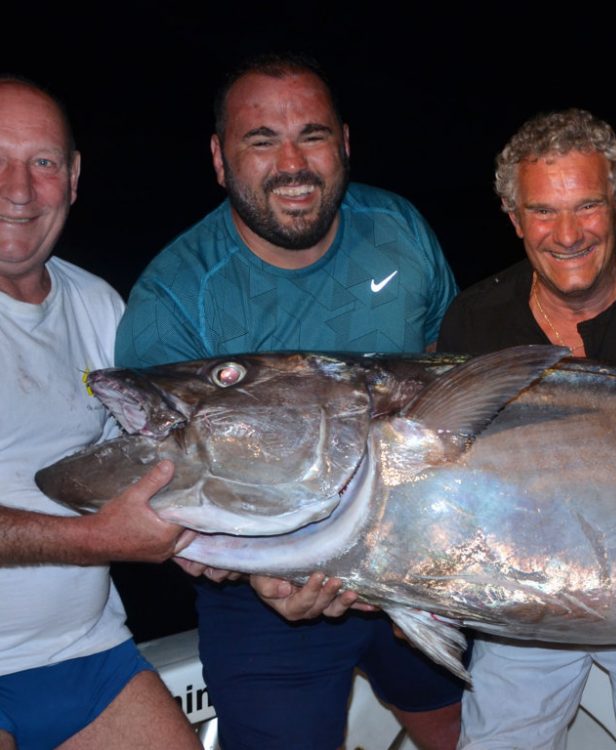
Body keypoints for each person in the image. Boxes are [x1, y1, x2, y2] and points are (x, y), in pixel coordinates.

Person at [114, 53, 463, 750]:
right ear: (218, 158)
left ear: (345, 144)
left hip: (413, 559)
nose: (293, 163)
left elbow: (451, 385)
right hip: (262, 601)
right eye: (261, 140)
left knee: (465, 734)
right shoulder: (175, 299)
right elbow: (155, 484)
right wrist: (252, 571)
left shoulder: (398, 230)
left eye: (312, 134)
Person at [437, 108, 616, 749]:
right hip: (524, 605)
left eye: (588, 206)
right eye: (543, 211)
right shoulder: (473, 326)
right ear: (514, 221)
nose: (567, 233)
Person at [0, 77, 199, 750]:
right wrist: (101, 542)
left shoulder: (99, 305)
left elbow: (143, 470)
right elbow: (107, 531)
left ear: (75, 178)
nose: (18, 189)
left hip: (88, 655)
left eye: (43, 162)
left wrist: (212, 541)